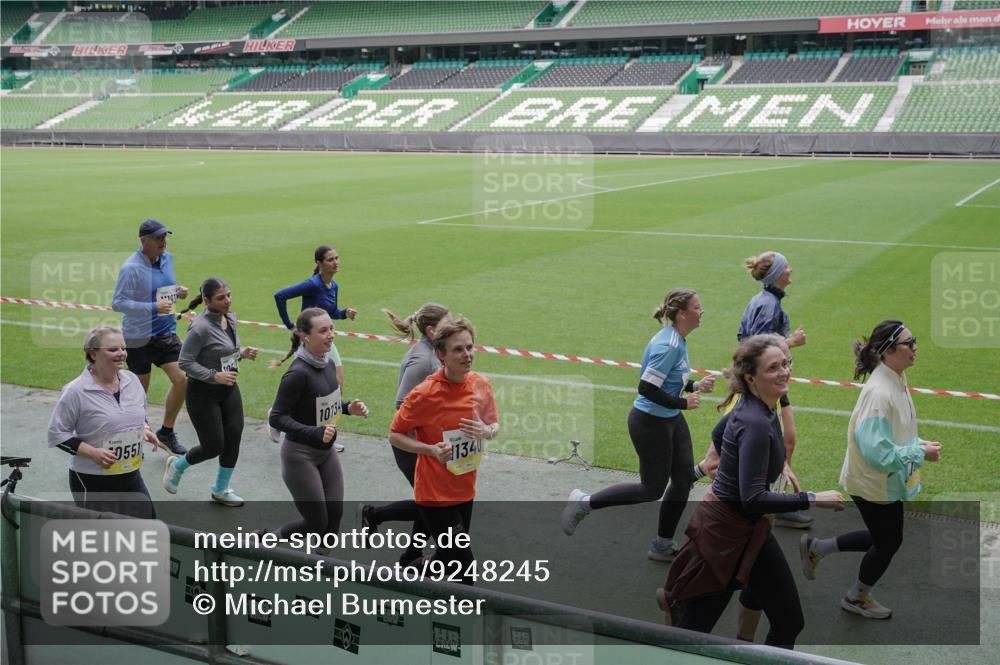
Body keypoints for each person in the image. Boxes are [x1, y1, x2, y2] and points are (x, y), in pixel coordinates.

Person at [662, 334, 845, 649]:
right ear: (751, 377)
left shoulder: (756, 406)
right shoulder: (757, 423)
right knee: (693, 635)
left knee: (788, 621)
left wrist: (772, 465)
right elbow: (753, 499)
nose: (784, 371)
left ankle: (678, 606)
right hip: (726, 535)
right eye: (773, 367)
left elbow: (720, 434)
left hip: (745, 531)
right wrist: (814, 498)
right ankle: (677, 608)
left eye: (785, 364)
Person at [799, 320, 941, 620]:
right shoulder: (880, 391)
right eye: (908, 342)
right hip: (875, 482)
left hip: (882, 480)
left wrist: (917, 442)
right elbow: (877, 452)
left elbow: (892, 434)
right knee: (889, 541)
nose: (915, 347)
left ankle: (818, 548)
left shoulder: (895, 378)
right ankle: (856, 596)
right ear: (889, 350)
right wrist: (919, 452)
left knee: (885, 537)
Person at [562, 289, 714, 562]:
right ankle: (584, 502)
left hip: (669, 419)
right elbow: (646, 387)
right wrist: (683, 404)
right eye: (698, 307)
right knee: (651, 489)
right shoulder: (668, 345)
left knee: (682, 480)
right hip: (651, 423)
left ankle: (662, 544)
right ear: (682, 313)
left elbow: (669, 379)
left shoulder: (678, 339)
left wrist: (694, 385)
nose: (702, 312)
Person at [388, 316, 498, 585]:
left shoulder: (481, 384)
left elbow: (494, 424)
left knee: (448, 559)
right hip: (434, 494)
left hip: (465, 487)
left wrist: (487, 431)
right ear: (441, 355)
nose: (467, 355)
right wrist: (429, 450)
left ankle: (409, 573)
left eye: (470, 347)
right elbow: (395, 435)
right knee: (465, 568)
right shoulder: (425, 393)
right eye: (458, 349)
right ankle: (467, 619)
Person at [267, 308, 369, 541]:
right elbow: (277, 417)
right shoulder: (297, 374)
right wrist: (314, 432)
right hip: (299, 456)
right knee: (316, 522)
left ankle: (323, 564)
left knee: (334, 516)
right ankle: (264, 541)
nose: (331, 334)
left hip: (326, 452)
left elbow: (322, 404)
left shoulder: (328, 364)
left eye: (331, 328)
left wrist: (347, 407)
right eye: (323, 331)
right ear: (305, 336)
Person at [362, 304, 451, 566]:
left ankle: (410, 555)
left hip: (426, 442)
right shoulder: (422, 359)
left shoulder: (434, 352)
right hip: (411, 444)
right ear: (432, 330)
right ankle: (375, 515)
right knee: (433, 502)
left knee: (429, 500)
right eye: (448, 324)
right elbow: (402, 403)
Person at [163, 278, 258, 506]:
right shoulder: (200, 327)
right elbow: (184, 362)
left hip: (228, 388)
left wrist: (242, 353)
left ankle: (220, 490)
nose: (227, 300)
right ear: (206, 301)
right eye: (221, 297)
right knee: (213, 445)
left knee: (234, 436)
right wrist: (213, 376)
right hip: (202, 393)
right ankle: (177, 466)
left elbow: (223, 352)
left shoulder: (230, 318)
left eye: (229, 295)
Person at [47, 325, 160, 518]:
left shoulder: (131, 380)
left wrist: (144, 429)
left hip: (130, 474)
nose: (121, 354)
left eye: (123, 348)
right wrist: (93, 453)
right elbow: (57, 434)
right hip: (93, 480)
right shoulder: (76, 391)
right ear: (93, 353)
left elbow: (138, 412)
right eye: (113, 349)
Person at [738, 251, 810, 530]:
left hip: (770, 384)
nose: (791, 269)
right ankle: (772, 503)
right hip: (764, 387)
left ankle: (778, 501)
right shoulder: (769, 305)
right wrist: (790, 342)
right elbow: (758, 349)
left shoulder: (765, 301)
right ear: (778, 274)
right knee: (780, 442)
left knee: (787, 440)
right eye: (786, 266)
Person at [111, 219, 189, 455]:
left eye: (164, 236)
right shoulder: (131, 268)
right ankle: (134, 436)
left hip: (165, 333)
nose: (163, 241)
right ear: (144, 241)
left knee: (184, 379)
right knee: (138, 393)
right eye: (157, 238)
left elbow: (163, 289)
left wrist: (178, 291)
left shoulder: (168, 258)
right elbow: (118, 303)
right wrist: (153, 307)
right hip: (138, 337)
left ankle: (166, 432)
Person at [273, 245, 356, 390]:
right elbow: (280, 296)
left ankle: (335, 411)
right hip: (309, 342)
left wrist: (344, 313)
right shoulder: (312, 284)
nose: (336, 262)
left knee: (338, 383)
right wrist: (290, 325)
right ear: (319, 263)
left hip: (324, 339)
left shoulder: (334, 286)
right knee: (303, 387)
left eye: (337, 258)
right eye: (330, 260)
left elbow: (332, 312)